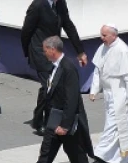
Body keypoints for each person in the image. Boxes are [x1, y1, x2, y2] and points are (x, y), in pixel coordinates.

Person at [13, 36, 94, 163]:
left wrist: (65, 125)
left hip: (66, 120)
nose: (44, 53)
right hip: (54, 117)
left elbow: (72, 100)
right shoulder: (55, 67)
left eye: (45, 50)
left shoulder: (68, 68)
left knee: (76, 153)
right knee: (46, 152)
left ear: (52, 50)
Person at [21, 0, 88, 136]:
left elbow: (68, 25)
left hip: (54, 53)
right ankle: (42, 122)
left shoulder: (60, 3)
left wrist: (80, 51)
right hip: (40, 52)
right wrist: (29, 53)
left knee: (49, 87)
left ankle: (38, 118)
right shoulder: (38, 5)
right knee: (49, 87)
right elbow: (26, 31)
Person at [89, 24, 128, 163]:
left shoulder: (123, 50)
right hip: (109, 94)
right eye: (101, 34)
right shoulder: (103, 47)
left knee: (113, 126)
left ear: (113, 35)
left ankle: (100, 156)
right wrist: (94, 90)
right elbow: (98, 70)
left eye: (104, 35)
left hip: (121, 95)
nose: (101, 37)